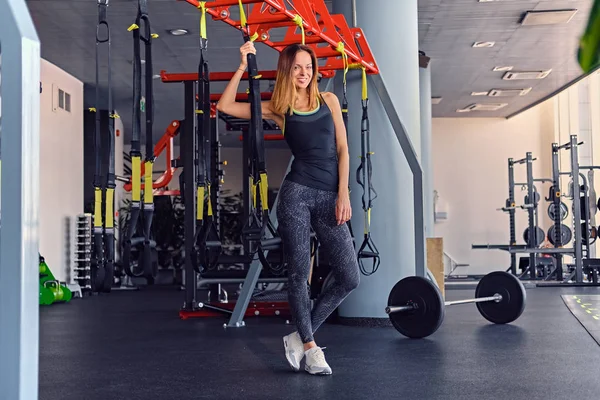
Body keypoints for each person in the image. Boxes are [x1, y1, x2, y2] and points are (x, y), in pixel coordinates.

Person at [217, 41, 360, 376]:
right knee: (298, 273)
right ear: (287, 70)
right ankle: (311, 349)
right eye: (297, 67)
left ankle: (298, 336)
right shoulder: (279, 107)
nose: (304, 73)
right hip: (296, 194)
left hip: (329, 196)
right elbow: (225, 106)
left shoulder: (329, 100)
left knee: (350, 277)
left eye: (308, 67)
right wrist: (241, 65)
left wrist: (344, 194)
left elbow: (342, 148)